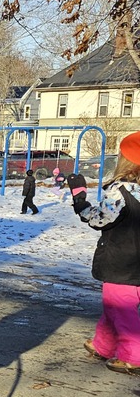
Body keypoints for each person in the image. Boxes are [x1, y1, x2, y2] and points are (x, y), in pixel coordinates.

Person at [68, 131, 140, 377]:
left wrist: (80, 202)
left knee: (121, 308)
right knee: (114, 306)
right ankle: (104, 345)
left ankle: (133, 356)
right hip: (136, 262)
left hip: (123, 261)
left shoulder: (121, 192)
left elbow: (99, 219)